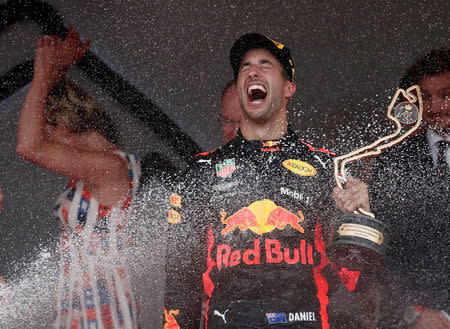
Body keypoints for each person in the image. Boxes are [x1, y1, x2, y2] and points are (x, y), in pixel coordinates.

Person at [163, 33, 371, 329]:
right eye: (244, 67)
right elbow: (179, 284)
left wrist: (359, 220)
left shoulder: (329, 169)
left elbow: (355, 278)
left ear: (289, 87)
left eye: (265, 64)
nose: (252, 71)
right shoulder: (200, 172)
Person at [16, 26, 141, 328]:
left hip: (104, 315)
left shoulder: (112, 167)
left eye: (48, 133)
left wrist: (43, 75)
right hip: (80, 312)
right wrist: (57, 70)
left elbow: (28, 146)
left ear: (62, 126)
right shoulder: (94, 168)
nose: (48, 145)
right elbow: (36, 134)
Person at [370, 48, 449, 329]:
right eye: (426, 97)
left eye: (445, 94)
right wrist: (416, 313)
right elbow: (385, 252)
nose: (436, 106)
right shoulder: (392, 159)